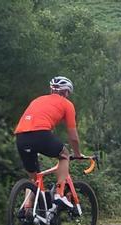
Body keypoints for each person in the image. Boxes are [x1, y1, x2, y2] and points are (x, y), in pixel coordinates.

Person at [14, 76, 84, 212]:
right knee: (64, 154)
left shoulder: (37, 100)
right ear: (66, 92)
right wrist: (77, 153)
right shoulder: (67, 104)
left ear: (52, 90)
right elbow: (73, 136)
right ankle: (59, 193)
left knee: (34, 179)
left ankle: (28, 209)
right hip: (40, 134)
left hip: (21, 136)